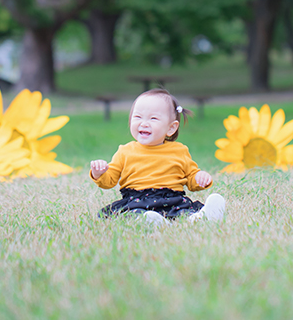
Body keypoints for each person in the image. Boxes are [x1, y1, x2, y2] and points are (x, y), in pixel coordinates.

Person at [89, 88, 225, 224]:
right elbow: (110, 180)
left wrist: (199, 178)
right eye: (138, 117)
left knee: (184, 211)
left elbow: (191, 178)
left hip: (172, 199)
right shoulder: (125, 151)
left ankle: (201, 217)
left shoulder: (179, 151)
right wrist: (99, 173)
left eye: (153, 118)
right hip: (137, 200)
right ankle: (154, 221)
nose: (144, 123)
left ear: (171, 128)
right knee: (135, 215)